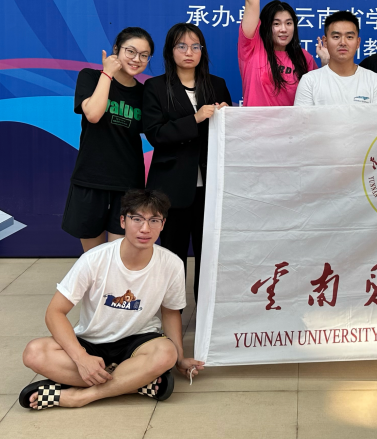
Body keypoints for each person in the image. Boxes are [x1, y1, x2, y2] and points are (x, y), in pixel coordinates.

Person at [19, 189, 204, 410]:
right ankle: (137, 383)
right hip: (92, 341)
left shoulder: (171, 264)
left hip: (139, 342)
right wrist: (81, 358)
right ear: (123, 221)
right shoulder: (94, 259)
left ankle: (80, 396)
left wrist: (180, 358)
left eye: (154, 220)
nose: (145, 228)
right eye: (137, 219)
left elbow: (171, 312)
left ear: (163, 224)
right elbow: (54, 313)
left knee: (166, 353)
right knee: (34, 353)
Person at [143, 23, 231, 302]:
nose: (189, 52)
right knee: (172, 255)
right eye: (181, 46)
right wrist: (195, 118)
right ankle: (172, 314)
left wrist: (227, 117)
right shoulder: (155, 87)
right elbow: (156, 134)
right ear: (170, 51)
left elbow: (230, 135)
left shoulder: (217, 85)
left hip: (211, 187)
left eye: (195, 46)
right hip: (172, 187)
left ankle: (206, 313)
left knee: (210, 255)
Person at [62, 28, 154, 252]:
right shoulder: (90, 77)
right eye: (130, 51)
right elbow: (93, 115)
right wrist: (107, 74)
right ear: (116, 49)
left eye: (144, 55)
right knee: (93, 256)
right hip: (91, 178)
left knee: (118, 255)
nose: (136, 59)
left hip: (128, 183)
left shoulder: (145, 93)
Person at [294, 11, 377, 106]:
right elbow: (302, 116)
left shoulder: (374, 81)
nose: (343, 42)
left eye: (349, 37)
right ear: (325, 42)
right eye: (336, 37)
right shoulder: (309, 81)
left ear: (358, 42)